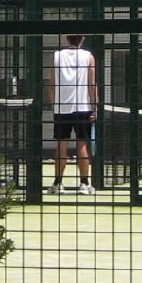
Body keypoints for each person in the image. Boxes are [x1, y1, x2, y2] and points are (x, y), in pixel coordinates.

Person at [50, 33, 98, 193]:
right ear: (82, 39)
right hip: (83, 107)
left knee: (61, 144)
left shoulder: (57, 56)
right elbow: (92, 84)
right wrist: (94, 107)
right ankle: (84, 184)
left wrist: (54, 107)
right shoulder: (88, 57)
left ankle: (57, 184)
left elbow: (52, 84)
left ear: (66, 39)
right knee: (82, 144)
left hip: (61, 108)